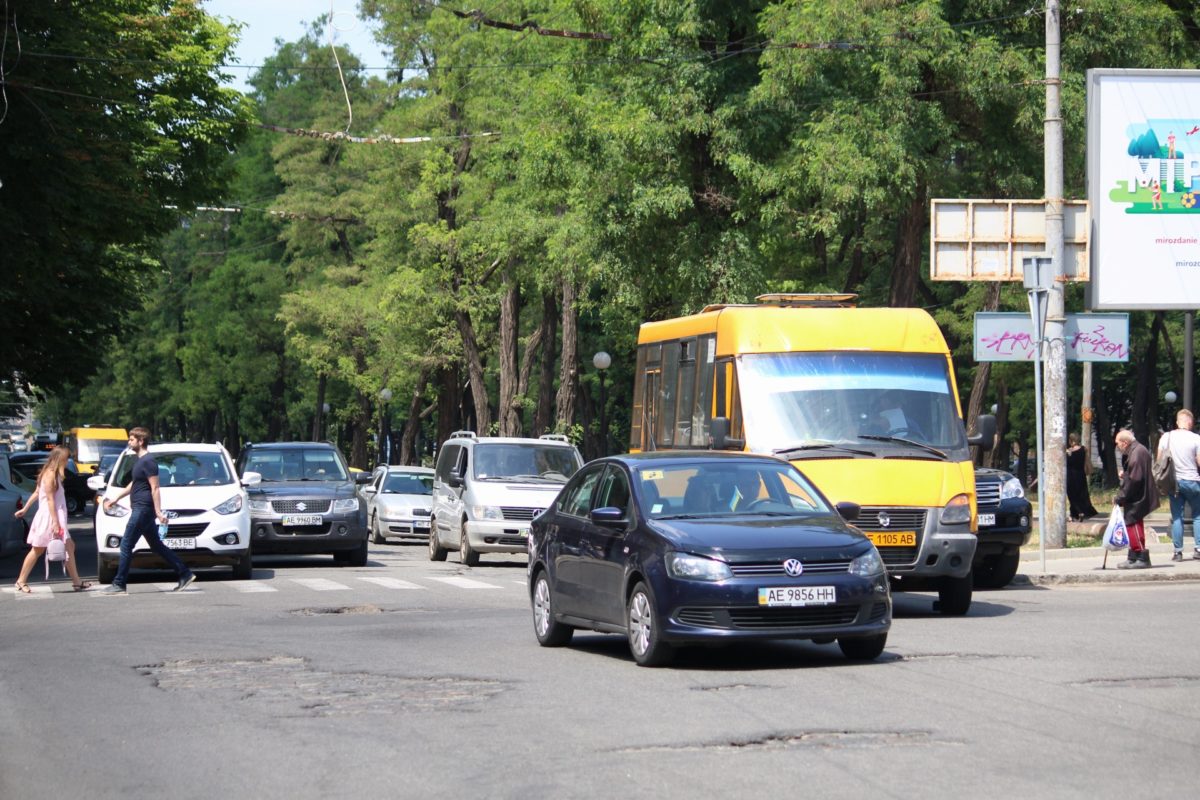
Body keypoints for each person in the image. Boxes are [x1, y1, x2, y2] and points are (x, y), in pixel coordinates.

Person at [98, 427, 195, 595]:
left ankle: (119, 583)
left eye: (131, 439)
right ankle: (184, 573)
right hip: (141, 509)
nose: (129, 442)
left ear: (141, 441)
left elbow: (155, 487)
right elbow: (134, 484)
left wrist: (158, 512)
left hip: (143, 509)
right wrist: (116, 499)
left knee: (126, 545)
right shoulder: (140, 461)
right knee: (156, 546)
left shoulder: (148, 461)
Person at [12, 446, 93, 592]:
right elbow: (50, 500)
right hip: (50, 517)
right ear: (60, 459)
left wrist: (25, 509)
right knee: (38, 549)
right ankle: (21, 580)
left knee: (69, 546)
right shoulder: (50, 475)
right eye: (66, 458)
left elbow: (37, 492)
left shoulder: (50, 473)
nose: (67, 462)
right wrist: (55, 523)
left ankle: (76, 581)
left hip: (52, 516)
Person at [1156, 409, 1200, 562]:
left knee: (1177, 517)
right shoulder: (1196, 438)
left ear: (1177, 422)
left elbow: (1159, 460)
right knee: (1198, 516)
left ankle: (1178, 552)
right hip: (1193, 481)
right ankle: (1198, 549)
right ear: (1190, 422)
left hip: (1173, 483)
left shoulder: (1166, 437)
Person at [1114, 429, 1159, 570]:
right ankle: (1133, 556)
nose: (1117, 447)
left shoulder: (1137, 452)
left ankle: (1141, 556)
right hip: (1138, 494)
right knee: (1132, 524)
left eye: (1118, 443)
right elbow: (1134, 474)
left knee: (1133, 524)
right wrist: (1125, 474)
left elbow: (1135, 480)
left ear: (1125, 442)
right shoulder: (1137, 450)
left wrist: (1120, 497)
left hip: (1137, 496)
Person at [1065, 432, 1098, 522]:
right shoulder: (1083, 449)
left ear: (1071, 440)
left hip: (1070, 476)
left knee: (1072, 496)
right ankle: (1076, 513)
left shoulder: (1069, 452)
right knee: (1081, 494)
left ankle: (1078, 512)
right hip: (1081, 475)